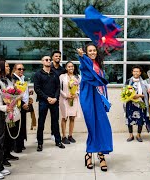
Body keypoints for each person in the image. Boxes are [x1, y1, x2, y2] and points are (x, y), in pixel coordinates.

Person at [77, 44, 113, 172]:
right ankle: (90, 153)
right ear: (86, 52)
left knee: (103, 126)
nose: (92, 52)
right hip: (87, 97)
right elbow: (87, 71)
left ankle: (100, 153)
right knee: (92, 126)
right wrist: (82, 57)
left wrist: (106, 100)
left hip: (98, 98)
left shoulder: (100, 67)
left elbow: (103, 86)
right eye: (89, 51)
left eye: (94, 50)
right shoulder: (85, 64)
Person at [34, 55, 65, 151]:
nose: (48, 61)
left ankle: (58, 141)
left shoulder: (54, 74)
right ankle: (40, 143)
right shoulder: (38, 74)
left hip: (54, 102)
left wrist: (55, 98)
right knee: (41, 122)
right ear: (42, 62)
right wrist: (47, 98)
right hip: (43, 101)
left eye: (49, 60)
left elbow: (57, 88)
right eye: (46, 60)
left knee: (55, 122)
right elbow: (37, 89)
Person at [0, 59, 19, 167]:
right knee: (4, 134)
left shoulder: (9, 79)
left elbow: (13, 92)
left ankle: (8, 153)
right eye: (7, 66)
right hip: (4, 110)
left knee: (11, 133)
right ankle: (3, 157)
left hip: (12, 109)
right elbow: (2, 95)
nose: (9, 68)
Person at [124, 65, 150, 142]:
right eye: (134, 71)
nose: (136, 73)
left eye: (137, 71)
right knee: (129, 119)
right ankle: (131, 135)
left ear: (140, 73)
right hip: (130, 103)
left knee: (140, 119)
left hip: (140, 103)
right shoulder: (128, 81)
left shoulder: (144, 82)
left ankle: (138, 135)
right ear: (132, 72)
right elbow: (124, 92)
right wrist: (132, 96)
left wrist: (141, 95)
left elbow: (147, 92)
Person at [59, 61, 82, 144]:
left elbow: (80, 88)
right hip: (64, 99)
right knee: (64, 117)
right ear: (66, 68)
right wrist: (66, 95)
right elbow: (59, 88)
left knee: (72, 118)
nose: (71, 68)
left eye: (72, 66)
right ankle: (64, 136)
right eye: (69, 66)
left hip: (74, 99)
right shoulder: (62, 77)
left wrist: (76, 94)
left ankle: (70, 135)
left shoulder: (78, 77)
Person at [11, 63, 31, 153]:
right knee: (17, 126)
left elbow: (22, 92)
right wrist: (23, 103)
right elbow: (14, 94)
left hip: (24, 105)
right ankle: (17, 147)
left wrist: (28, 93)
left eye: (23, 69)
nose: (21, 70)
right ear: (15, 69)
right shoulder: (13, 79)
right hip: (18, 106)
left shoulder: (22, 78)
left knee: (22, 125)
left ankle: (21, 144)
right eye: (19, 69)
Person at [50, 50, 66, 141]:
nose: (58, 58)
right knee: (43, 117)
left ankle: (54, 133)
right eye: (56, 56)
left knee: (55, 116)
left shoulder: (62, 70)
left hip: (59, 95)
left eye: (59, 56)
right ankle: (39, 135)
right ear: (52, 57)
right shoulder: (49, 68)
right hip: (48, 95)